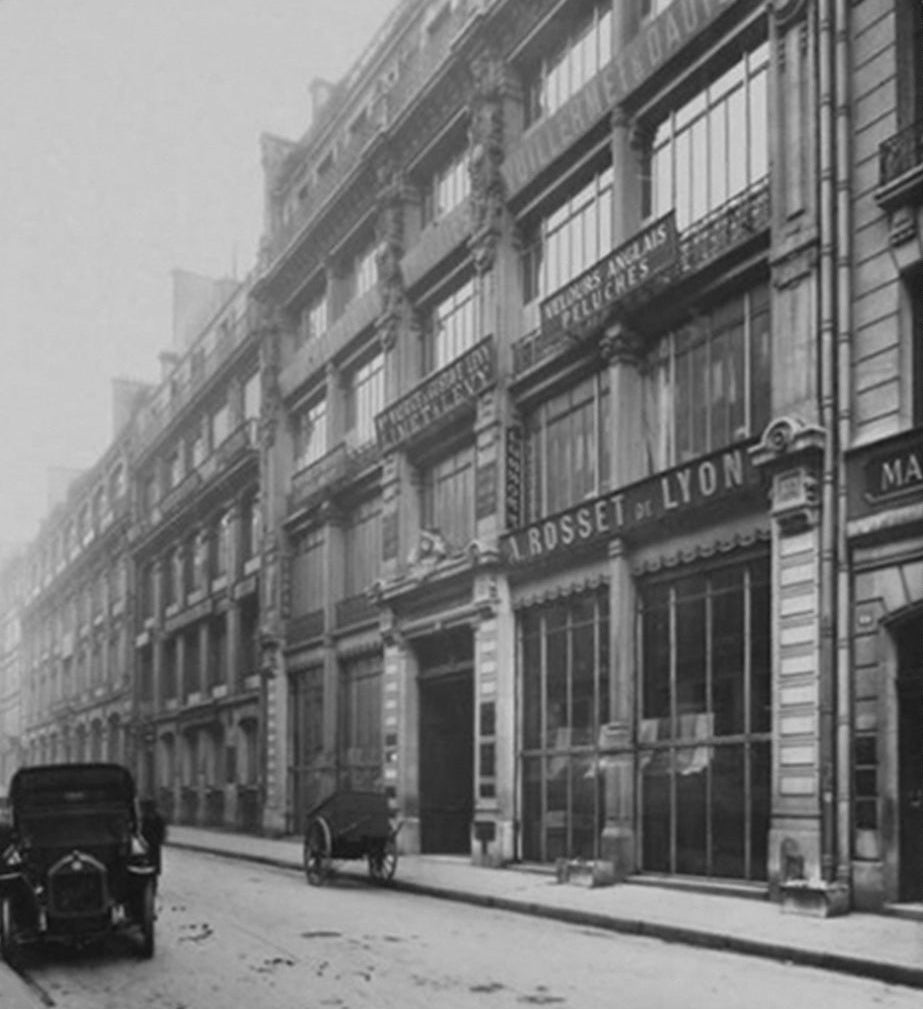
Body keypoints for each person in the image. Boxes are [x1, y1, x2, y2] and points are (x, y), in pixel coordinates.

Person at [139, 798, 167, 883]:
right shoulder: (146, 818)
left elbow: (162, 831)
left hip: (153, 844)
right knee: (147, 864)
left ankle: (152, 880)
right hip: (147, 844)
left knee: (153, 865)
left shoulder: (157, 818)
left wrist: (159, 840)